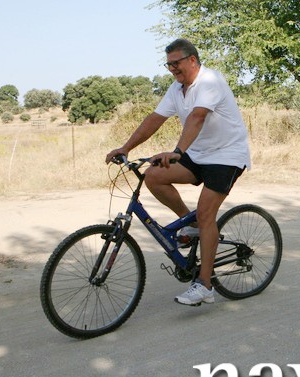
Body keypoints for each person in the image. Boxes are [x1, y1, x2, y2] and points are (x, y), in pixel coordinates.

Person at [105, 38, 251, 306]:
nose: (172, 69)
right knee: (153, 176)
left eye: (176, 63)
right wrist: (125, 147)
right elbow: (155, 119)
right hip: (198, 154)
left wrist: (177, 151)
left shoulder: (210, 81)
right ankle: (192, 224)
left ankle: (205, 285)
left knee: (206, 213)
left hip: (227, 155)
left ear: (192, 60)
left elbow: (197, 117)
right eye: (168, 64)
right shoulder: (176, 89)